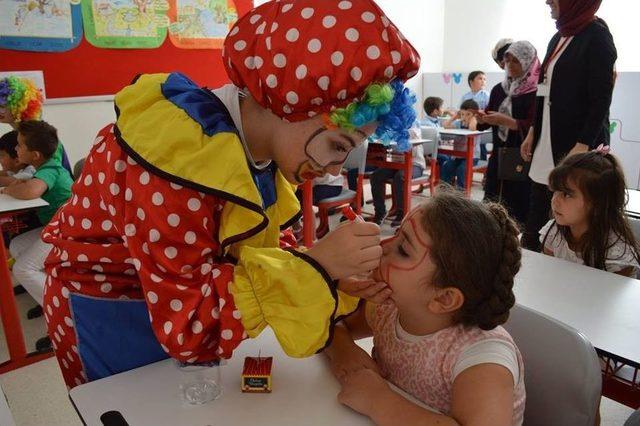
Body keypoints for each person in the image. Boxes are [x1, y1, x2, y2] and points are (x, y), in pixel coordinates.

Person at [40, 0, 421, 389]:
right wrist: (315, 268)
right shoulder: (178, 155)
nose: (337, 169)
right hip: (109, 310)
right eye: (339, 146)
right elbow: (190, 332)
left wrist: (326, 276)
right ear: (295, 99)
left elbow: (253, 251)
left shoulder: (260, 151)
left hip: (171, 303)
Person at [325, 191, 526, 424]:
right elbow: (334, 323)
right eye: (396, 233)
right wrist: (344, 351)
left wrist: (379, 401)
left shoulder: (481, 358)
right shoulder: (387, 309)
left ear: (444, 299)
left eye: (403, 249)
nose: (383, 246)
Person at [520, 0, 617, 251]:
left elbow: (601, 100)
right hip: (547, 141)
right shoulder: (558, 38)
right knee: (537, 211)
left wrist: (583, 144)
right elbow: (544, 90)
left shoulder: (597, 37)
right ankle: (530, 265)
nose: (548, 2)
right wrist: (533, 130)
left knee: (577, 218)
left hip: (577, 145)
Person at [2, 121, 73, 337]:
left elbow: (31, 191)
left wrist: (14, 189)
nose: (16, 149)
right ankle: (50, 300)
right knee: (17, 244)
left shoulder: (50, 168)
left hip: (67, 229)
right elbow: (20, 183)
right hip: (56, 226)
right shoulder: (40, 166)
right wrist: (15, 186)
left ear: (34, 155)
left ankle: (68, 322)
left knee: (23, 268)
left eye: (20, 146)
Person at [540, 150, 640, 278]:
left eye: (567, 194)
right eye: (555, 191)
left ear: (598, 204)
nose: (555, 201)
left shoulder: (617, 255)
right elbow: (548, 276)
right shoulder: (554, 232)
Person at [478, 41, 540, 225]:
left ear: (529, 62)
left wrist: (509, 122)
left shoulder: (537, 91)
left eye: (516, 61)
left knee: (517, 207)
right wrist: (482, 119)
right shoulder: (499, 89)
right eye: (507, 60)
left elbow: (536, 124)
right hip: (499, 155)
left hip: (521, 157)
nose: (510, 66)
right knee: (492, 202)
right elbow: (490, 115)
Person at [0, 76, 74, 178]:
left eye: (2, 107)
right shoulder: (23, 133)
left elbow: (48, 175)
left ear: (19, 107)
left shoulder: (39, 136)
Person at [441, 99, 479, 188]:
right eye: (462, 114)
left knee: (462, 170)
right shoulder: (458, 123)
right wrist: (454, 117)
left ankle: (461, 193)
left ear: (474, 115)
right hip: (458, 156)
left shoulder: (476, 124)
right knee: (447, 166)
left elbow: (472, 128)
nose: (464, 117)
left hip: (472, 157)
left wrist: (473, 118)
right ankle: (445, 191)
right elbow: (445, 125)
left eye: (468, 114)